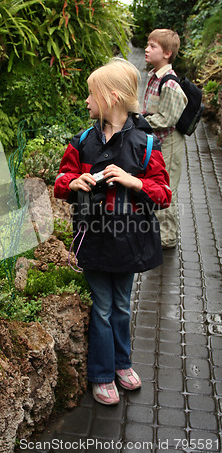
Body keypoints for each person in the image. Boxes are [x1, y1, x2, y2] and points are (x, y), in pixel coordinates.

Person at [54, 58, 172, 405]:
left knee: (121, 306)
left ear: (113, 97)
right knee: (102, 307)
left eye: (92, 94)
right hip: (92, 239)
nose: (87, 101)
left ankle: (122, 364)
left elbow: (163, 193)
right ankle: (102, 374)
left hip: (128, 241)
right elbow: (62, 182)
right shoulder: (82, 141)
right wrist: (74, 181)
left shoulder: (146, 144)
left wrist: (135, 181)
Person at [142, 29, 188, 249]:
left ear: (167, 53)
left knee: (166, 188)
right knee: (157, 184)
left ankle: (167, 238)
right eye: (147, 45)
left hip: (169, 143)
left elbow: (168, 119)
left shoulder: (169, 83)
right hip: (158, 143)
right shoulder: (154, 76)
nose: (146, 49)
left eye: (153, 46)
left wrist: (140, 122)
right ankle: (158, 232)